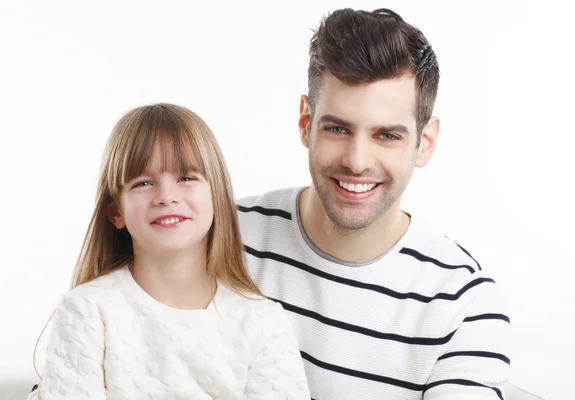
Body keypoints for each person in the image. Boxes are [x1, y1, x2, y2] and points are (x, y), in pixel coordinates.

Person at [30, 7, 510, 400]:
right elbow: (97, 346)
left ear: (425, 142)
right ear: (306, 121)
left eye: (388, 135)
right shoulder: (211, 229)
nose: (357, 160)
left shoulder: (464, 303)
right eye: (337, 128)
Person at [30, 104, 310, 399]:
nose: (166, 196)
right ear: (115, 212)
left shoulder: (261, 321)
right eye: (143, 183)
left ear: (217, 195)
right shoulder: (87, 311)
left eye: (186, 178)